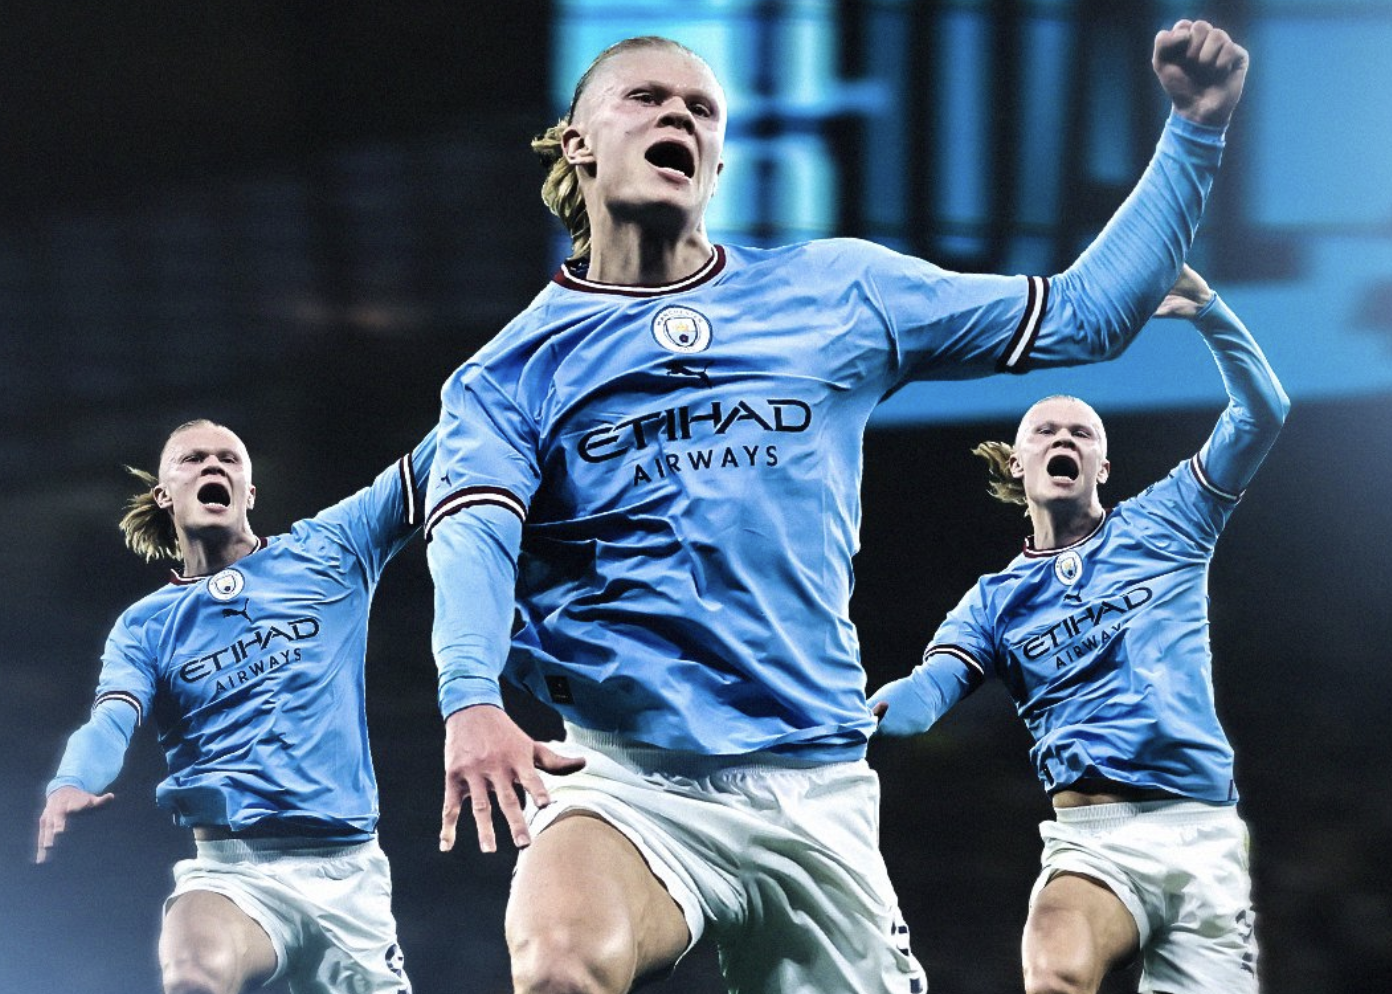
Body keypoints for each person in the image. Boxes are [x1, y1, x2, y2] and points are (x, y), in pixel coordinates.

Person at [424, 21, 1249, 994]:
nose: (677, 115)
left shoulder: (838, 291)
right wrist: (470, 695)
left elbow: (1087, 315)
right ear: (578, 143)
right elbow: (474, 534)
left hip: (813, 785)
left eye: (700, 109)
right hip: (628, 778)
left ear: (718, 162)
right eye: (645, 98)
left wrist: (1196, 127)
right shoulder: (508, 373)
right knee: (562, 963)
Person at [868, 265, 1288, 994]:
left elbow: (1262, 413)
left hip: (1201, 835)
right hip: (1093, 844)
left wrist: (1210, 313)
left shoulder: (1168, 521)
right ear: (1019, 461)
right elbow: (925, 697)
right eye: (1045, 430)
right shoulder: (994, 602)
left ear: (1102, 464)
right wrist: (863, 710)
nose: (1064, 436)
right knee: (1054, 970)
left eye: (1081, 432)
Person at [36, 418, 433, 994]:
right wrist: (72, 779)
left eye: (228, 459)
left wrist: (495, 380)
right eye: (193, 458)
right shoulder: (145, 625)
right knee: (193, 973)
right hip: (233, 873)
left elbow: (436, 456)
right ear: (164, 495)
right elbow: (112, 718)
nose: (212, 465)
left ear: (249, 493)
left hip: (348, 875)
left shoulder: (329, 548)